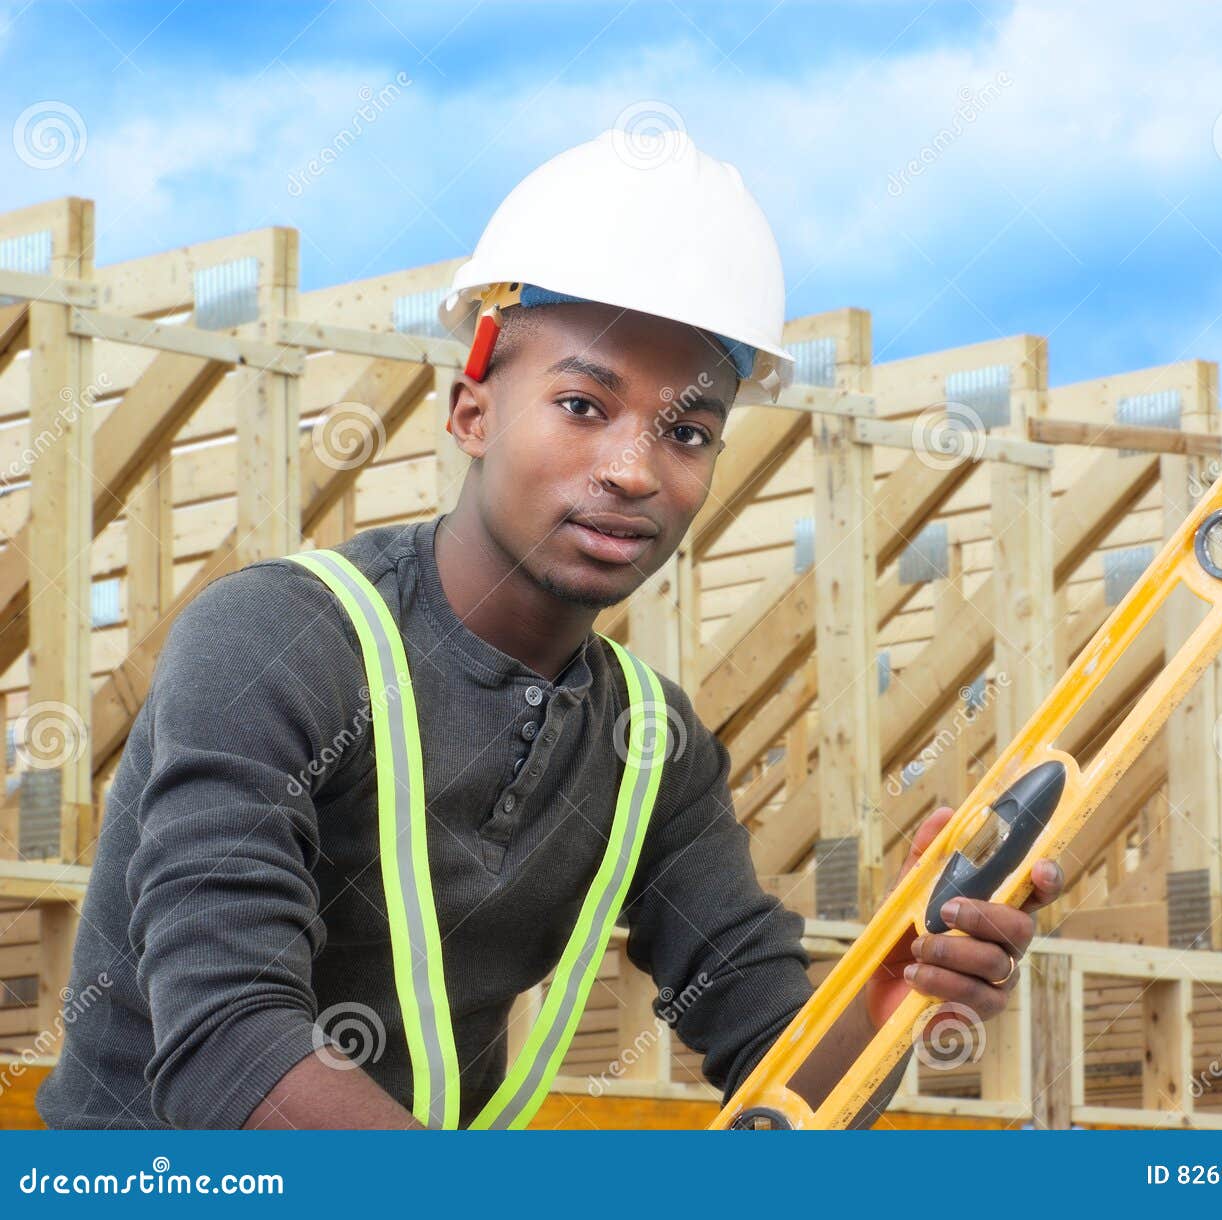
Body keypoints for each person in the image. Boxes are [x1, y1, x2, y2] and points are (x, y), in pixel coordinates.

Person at [36, 127, 1063, 1130]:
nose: (632, 467)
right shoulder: (275, 640)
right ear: (473, 410)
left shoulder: (649, 744)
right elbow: (230, 1046)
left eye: (689, 430)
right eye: (582, 403)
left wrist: (884, 999)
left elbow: (781, 1069)